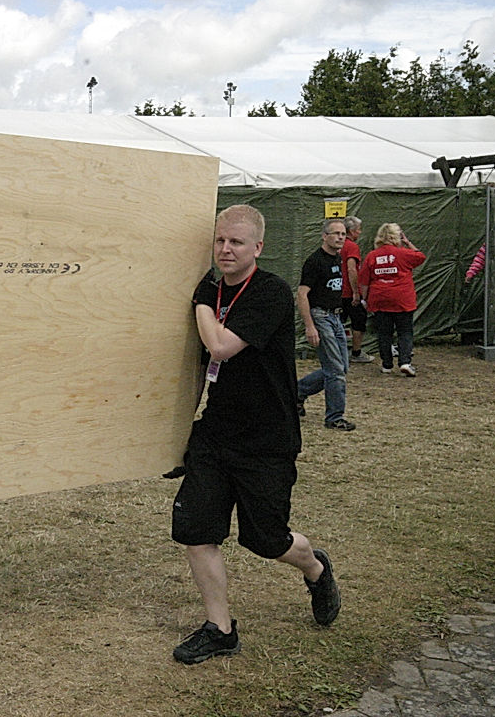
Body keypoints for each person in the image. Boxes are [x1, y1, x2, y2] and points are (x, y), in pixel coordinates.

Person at [171, 205, 341, 665]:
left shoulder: (270, 292)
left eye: (237, 242)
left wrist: (201, 302)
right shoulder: (211, 290)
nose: (226, 249)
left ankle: (315, 567)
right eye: (220, 240)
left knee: (265, 540)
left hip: (267, 438)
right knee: (195, 530)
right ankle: (220, 629)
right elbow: (198, 367)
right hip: (216, 434)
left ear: (258, 248)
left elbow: (220, 346)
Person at [295, 218, 356, 431]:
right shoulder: (315, 261)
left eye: (343, 234)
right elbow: (302, 294)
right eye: (336, 233)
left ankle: (298, 391)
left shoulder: (338, 258)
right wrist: (310, 326)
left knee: (341, 367)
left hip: (335, 317)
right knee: (335, 370)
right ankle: (334, 417)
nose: (340, 237)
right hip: (320, 317)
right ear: (324, 236)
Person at [359, 223, 425, 377]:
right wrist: (408, 243)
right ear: (398, 237)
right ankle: (405, 362)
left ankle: (386, 365)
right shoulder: (404, 253)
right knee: (405, 331)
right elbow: (420, 256)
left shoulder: (372, 256)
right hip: (402, 299)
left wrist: (364, 299)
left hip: (379, 298)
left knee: (384, 333)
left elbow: (364, 281)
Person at [340, 217, 374, 364]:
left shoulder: (336, 245)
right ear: (352, 231)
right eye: (359, 229)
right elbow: (351, 269)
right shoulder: (352, 247)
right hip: (348, 292)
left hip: (336, 291)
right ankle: (356, 352)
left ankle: (336, 352)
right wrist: (355, 292)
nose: (360, 232)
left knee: (338, 322)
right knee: (358, 321)